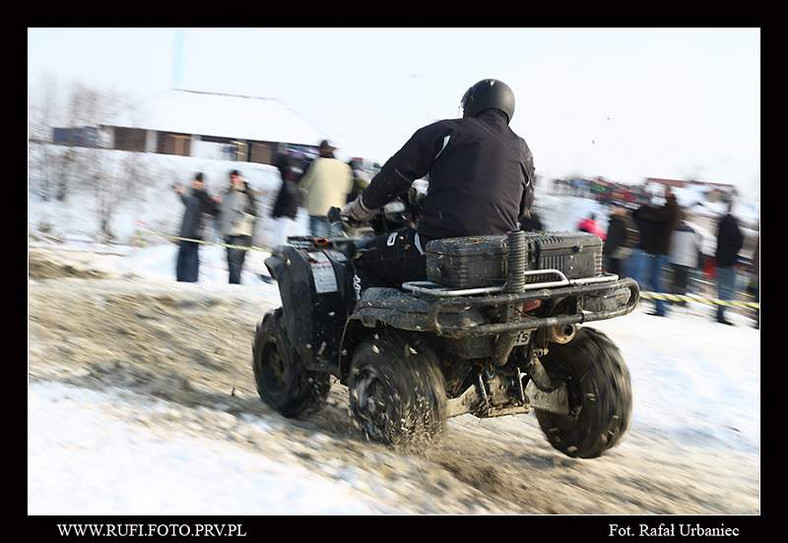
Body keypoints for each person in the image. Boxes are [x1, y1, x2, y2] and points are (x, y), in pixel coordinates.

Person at [341, 78, 535, 290]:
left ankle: (366, 320)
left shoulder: (449, 131)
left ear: (473, 103)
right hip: (494, 258)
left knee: (364, 257)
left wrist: (359, 209)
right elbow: (523, 207)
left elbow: (395, 174)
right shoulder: (523, 151)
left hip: (440, 250)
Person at [631, 187, 679, 316]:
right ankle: (660, 308)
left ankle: (661, 309)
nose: (664, 195)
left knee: (655, 280)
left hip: (660, 251)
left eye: (666, 194)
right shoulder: (669, 209)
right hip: (659, 251)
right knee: (654, 280)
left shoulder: (671, 210)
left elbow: (658, 215)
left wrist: (646, 209)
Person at [298, 140, 353, 238]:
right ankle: (333, 253)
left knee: (319, 240)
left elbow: (306, 183)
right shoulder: (345, 167)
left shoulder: (318, 163)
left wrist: (301, 186)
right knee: (335, 240)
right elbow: (347, 189)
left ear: (320, 150)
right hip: (336, 210)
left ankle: (320, 251)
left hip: (317, 208)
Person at [173, 172, 220, 282]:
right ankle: (181, 280)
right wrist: (181, 193)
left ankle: (190, 281)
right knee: (182, 259)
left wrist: (181, 193)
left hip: (194, 233)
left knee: (191, 260)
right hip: (185, 232)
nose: (196, 183)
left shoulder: (203, 196)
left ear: (202, 183)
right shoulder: (193, 194)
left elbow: (209, 209)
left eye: (199, 181)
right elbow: (188, 201)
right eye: (195, 180)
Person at [218, 170, 258, 284]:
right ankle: (234, 288)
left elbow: (253, 214)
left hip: (241, 234)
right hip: (228, 234)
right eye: (231, 177)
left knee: (235, 262)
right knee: (231, 264)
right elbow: (222, 213)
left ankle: (235, 288)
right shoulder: (227, 194)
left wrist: (238, 221)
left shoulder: (247, 193)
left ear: (241, 178)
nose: (233, 179)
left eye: (235, 177)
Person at [714, 203, 744, 325]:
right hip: (729, 261)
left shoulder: (720, 224)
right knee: (728, 289)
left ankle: (719, 313)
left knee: (721, 288)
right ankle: (721, 315)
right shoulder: (734, 226)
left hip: (720, 260)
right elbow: (739, 241)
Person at [668, 209, 703, 307]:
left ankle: (670, 299)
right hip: (687, 261)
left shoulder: (673, 229)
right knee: (683, 283)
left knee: (674, 280)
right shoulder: (692, 231)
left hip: (675, 259)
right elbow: (696, 245)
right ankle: (681, 301)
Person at [270, 153, 301, 247]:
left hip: (285, 216)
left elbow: (286, 196)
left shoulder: (287, 178)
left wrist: (276, 212)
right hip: (289, 215)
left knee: (281, 243)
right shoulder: (290, 177)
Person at [603, 204, 636, 277]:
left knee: (614, 274)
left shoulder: (617, 222)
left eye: (614, 209)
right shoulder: (628, 221)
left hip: (616, 253)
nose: (611, 210)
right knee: (621, 273)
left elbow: (612, 240)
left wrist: (605, 252)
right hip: (625, 253)